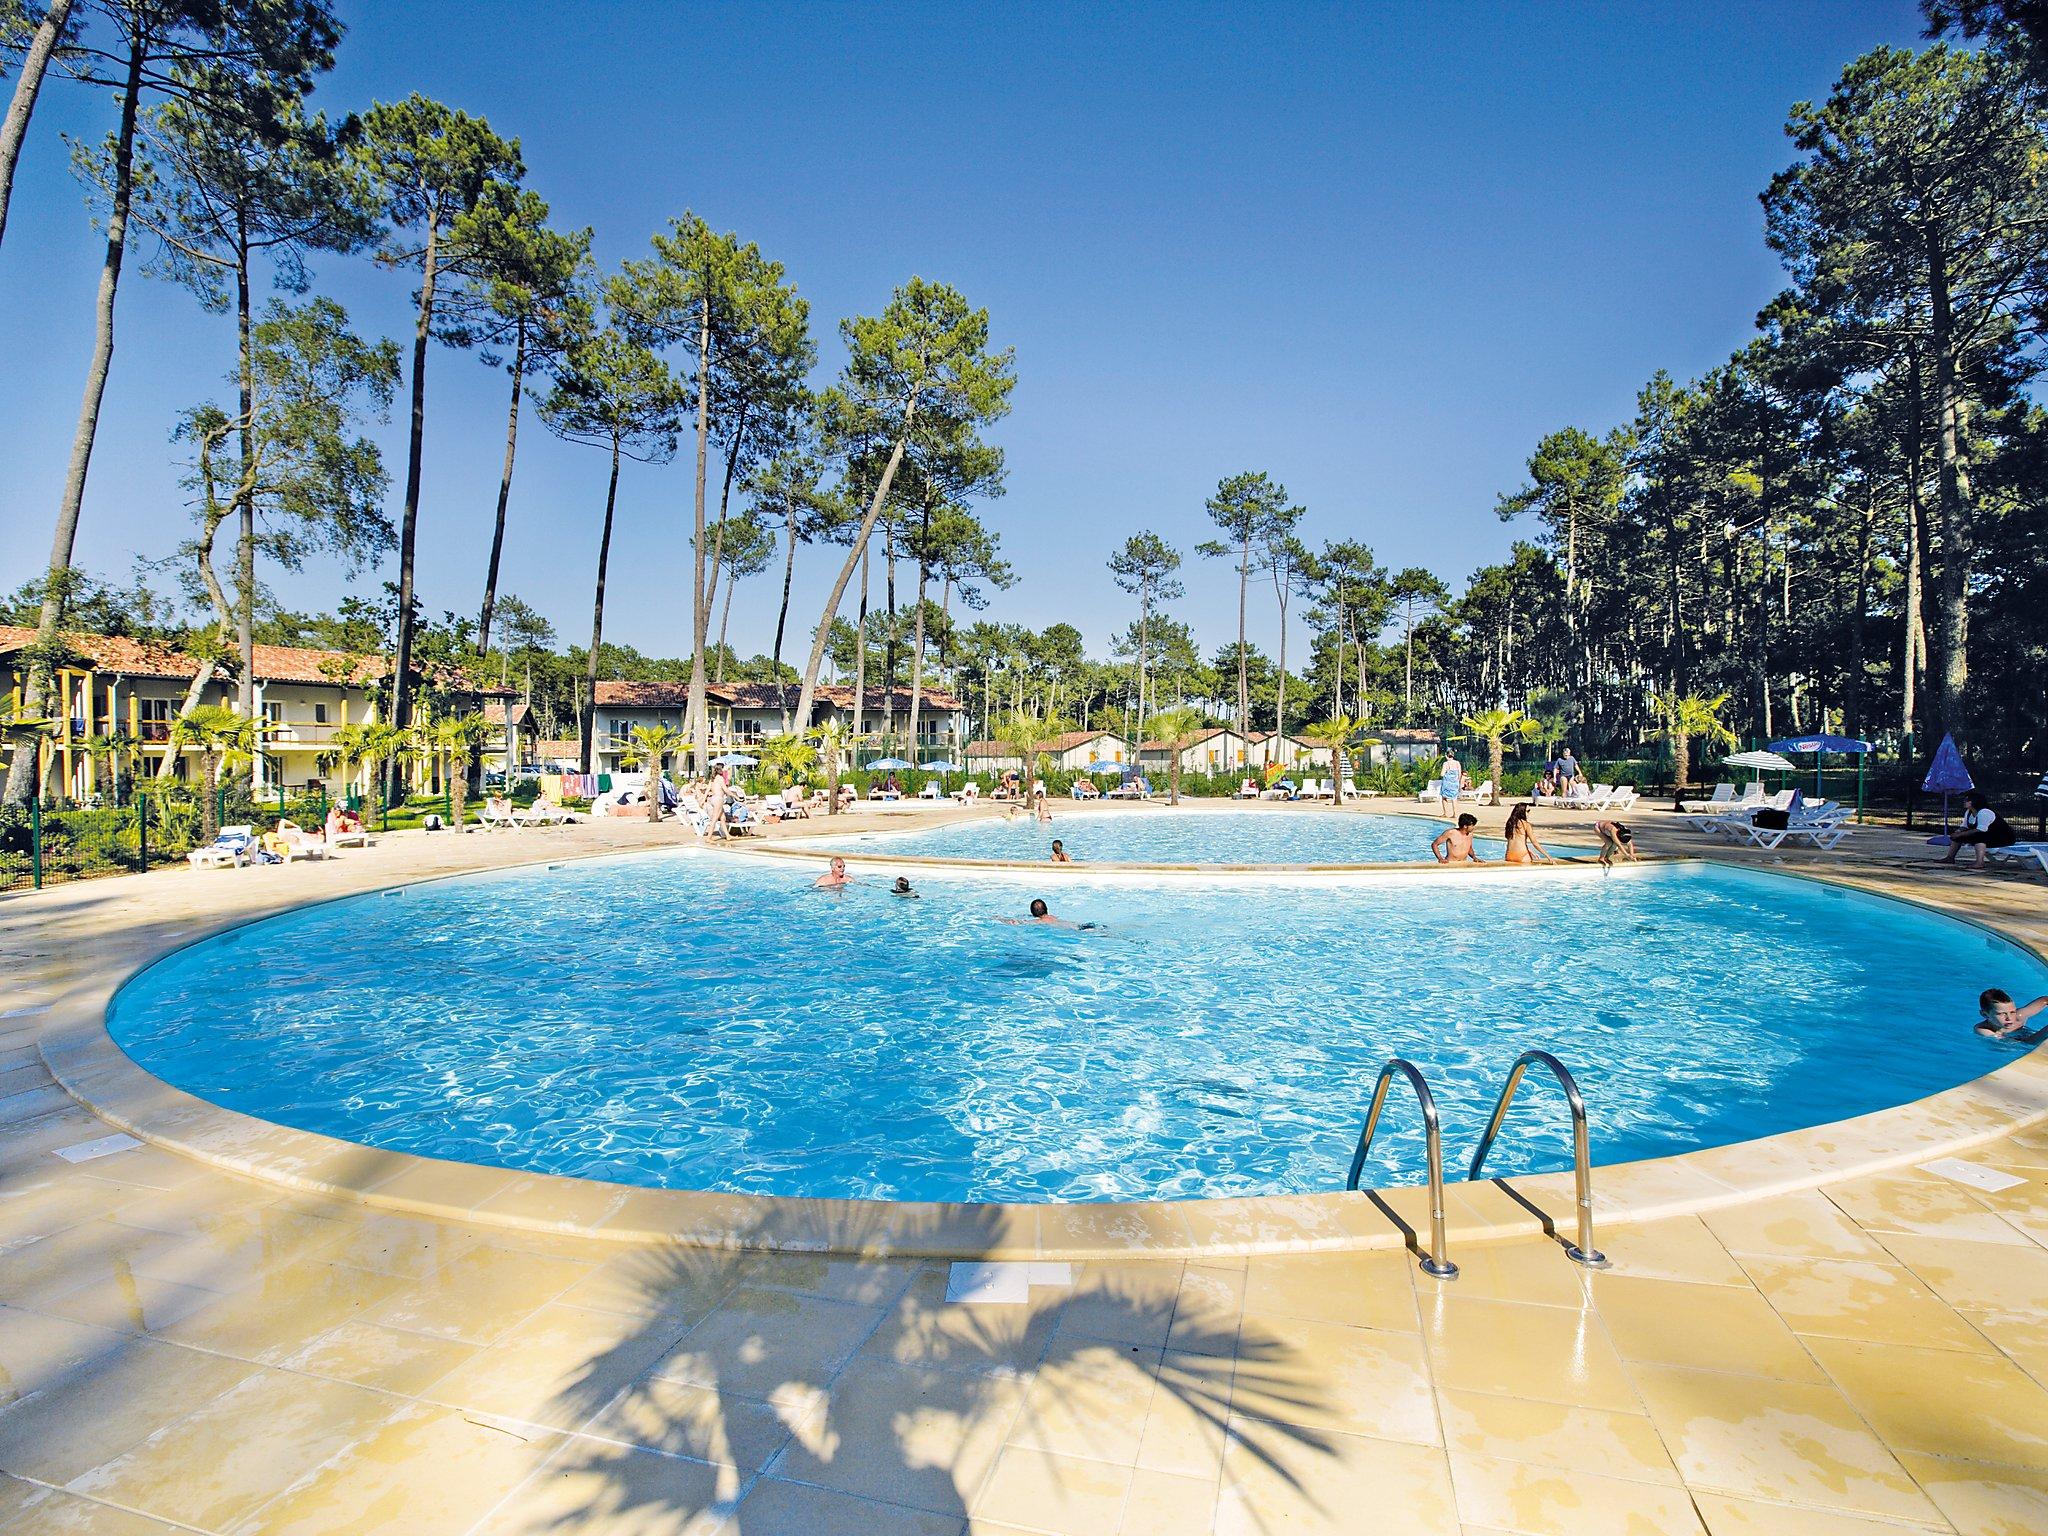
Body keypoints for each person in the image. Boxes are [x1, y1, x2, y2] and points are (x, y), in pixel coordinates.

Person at [1938, 792, 2018, 870]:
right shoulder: (1968, 812)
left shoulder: (1984, 812)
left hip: (2004, 838)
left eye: (1967, 800)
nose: (1964, 801)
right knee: (1958, 837)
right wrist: (1958, 832)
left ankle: (1980, 862)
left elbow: (1981, 829)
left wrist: (1960, 834)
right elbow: (1964, 826)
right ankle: (1950, 858)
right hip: (1988, 836)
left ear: (1974, 801)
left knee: (1979, 836)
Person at [1976, 989, 2048, 1040]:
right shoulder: (1983, 1029)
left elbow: (2045, 1000)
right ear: (1984, 1014)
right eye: (2001, 1014)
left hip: (2026, 1035)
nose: (2009, 1018)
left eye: (2012, 1012)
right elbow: (2021, 1045)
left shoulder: (2019, 1016)